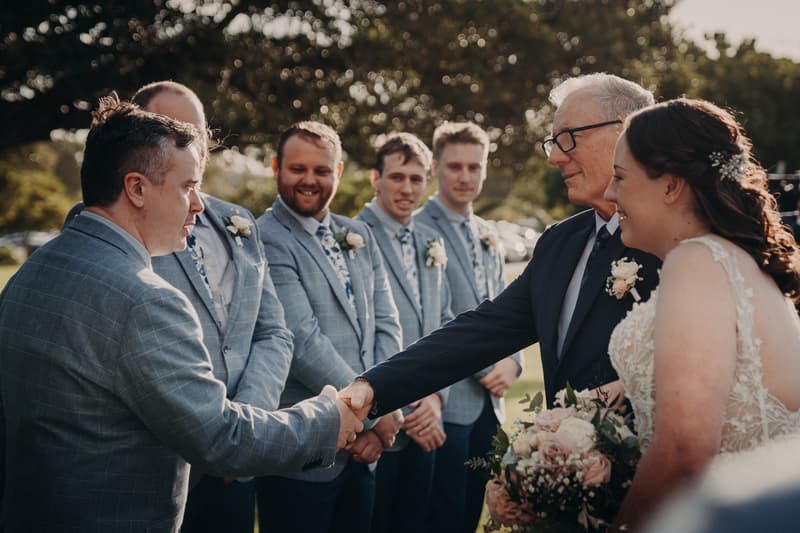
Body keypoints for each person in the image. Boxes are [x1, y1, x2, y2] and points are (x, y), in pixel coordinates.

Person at [0, 96, 362, 532]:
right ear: (136, 188)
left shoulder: (35, 268)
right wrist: (325, 419)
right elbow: (220, 437)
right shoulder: (145, 298)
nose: (198, 205)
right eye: (187, 187)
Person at [339, 73, 659, 422]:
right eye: (553, 142)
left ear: (625, 132)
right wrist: (373, 387)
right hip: (567, 461)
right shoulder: (558, 244)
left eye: (568, 139)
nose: (554, 158)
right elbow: (483, 330)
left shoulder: (674, 242)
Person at [604, 97, 800, 530]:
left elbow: (683, 451)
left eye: (620, 177)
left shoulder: (698, 261)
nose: (608, 192)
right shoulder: (739, 264)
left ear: (671, 186)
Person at [134, 82, 293, 533]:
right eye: (174, 129)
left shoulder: (239, 221)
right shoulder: (125, 220)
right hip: (159, 465)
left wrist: (246, 423)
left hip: (236, 464)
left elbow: (273, 332)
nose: (191, 144)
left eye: (198, 132)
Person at [255, 121, 403, 533]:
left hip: (364, 451)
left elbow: (387, 324)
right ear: (275, 168)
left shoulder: (358, 233)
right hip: (303, 448)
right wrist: (374, 416)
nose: (309, 180)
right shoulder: (264, 238)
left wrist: (385, 401)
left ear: (337, 172)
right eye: (297, 169)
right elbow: (302, 341)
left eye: (321, 170)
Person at [412, 121, 523, 533]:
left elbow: (509, 311)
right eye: (455, 166)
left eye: (474, 167)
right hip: (448, 400)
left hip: (491, 406)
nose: (464, 176)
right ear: (436, 168)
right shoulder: (419, 229)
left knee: (471, 514)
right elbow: (433, 315)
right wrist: (482, 364)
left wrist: (513, 362)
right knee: (440, 515)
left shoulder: (488, 233)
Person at [356, 133, 452, 533]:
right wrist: (385, 406)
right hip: (379, 416)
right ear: (375, 178)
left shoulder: (431, 240)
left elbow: (446, 322)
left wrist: (435, 398)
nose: (407, 188)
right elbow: (360, 332)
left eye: (416, 179)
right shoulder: (353, 238)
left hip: (426, 417)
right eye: (397, 177)